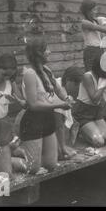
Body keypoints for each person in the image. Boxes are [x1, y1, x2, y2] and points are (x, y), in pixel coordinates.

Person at [19, 39, 72, 174]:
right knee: (33, 168)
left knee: (51, 164)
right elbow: (33, 104)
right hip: (33, 121)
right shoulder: (29, 74)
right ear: (39, 53)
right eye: (46, 49)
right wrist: (60, 104)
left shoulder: (46, 70)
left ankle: (29, 154)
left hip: (47, 118)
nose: (49, 52)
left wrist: (66, 98)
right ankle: (14, 158)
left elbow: (58, 89)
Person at [72, 57, 106, 148]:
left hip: (96, 112)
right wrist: (104, 86)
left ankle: (91, 129)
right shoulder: (88, 76)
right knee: (99, 142)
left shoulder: (102, 77)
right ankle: (81, 130)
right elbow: (94, 99)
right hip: (83, 112)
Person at [53, 66, 83, 160]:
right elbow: (59, 125)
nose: (77, 87)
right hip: (42, 128)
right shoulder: (58, 91)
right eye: (76, 84)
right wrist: (63, 147)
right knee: (63, 155)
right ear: (68, 80)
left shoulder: (62, 86)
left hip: (52, 126)